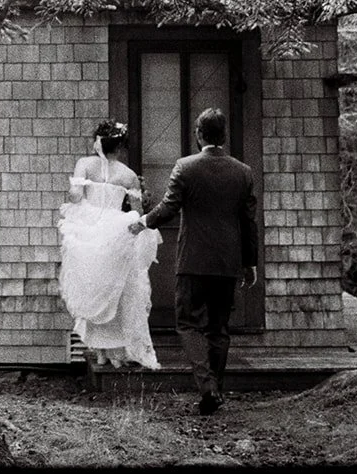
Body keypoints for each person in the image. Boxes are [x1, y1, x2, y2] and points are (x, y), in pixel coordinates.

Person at [130, 107, 258, 414]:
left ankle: (208, 387)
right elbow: (248, 222)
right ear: (223, 136)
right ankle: (214, 390)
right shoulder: (243, 172)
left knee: (187, 324)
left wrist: (143, 221)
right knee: (219, 329)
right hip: (227, 263)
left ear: (199, 134)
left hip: (193, 262)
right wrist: (250, 262)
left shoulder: (185, 167)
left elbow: (168, 207)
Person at [58, 120, 161, 370]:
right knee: (118, 288)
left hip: (90, 232)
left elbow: (75, 197)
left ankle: (103, 351)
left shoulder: (85, 164)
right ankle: (113, 351)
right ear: (120, 146)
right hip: (116, 230)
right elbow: (137, 211)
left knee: (96, 286)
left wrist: (78, 191)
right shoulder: (128, 174)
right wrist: (140, 194)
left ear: (98, 142)